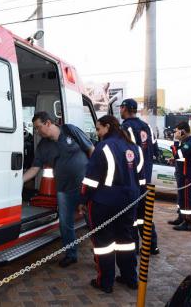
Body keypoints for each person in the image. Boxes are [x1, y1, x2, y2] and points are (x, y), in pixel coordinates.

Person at [79, 115, 144, 293]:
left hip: (104, 203)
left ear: (107, 127)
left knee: (104, 244)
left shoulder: (103, 147)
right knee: (126, 240)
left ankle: (105, 282)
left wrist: (83, 200)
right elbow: (140, 177)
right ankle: (129, 278)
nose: (98, 133)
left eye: (99, 129)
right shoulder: (134, 147)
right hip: (129, 200)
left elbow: (91, 180)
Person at [23, 111, 94, 267]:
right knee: (65, 223)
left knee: (93, 221)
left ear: (48, 123)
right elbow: (35, 169)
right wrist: (18, 182)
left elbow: (91, 150)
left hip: (85, 187)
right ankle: (71, 254)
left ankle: (101, 256)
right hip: (63, 189)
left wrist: (96, 176)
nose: (36, 131)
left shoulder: (70, 130)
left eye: (38, 127)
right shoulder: (43, 146)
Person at [119, 98, 160, 255]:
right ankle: (152, 246)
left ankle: (133, 249)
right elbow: (155, 151)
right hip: (146, 178)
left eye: (121, 107)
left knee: (132, 217)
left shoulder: (125, 127)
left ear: (125, 108)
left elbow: (125, 154)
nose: (120, 111)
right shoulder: (147, 126)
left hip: (132, 180)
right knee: (145, 215)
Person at [167, 121, 191, 231]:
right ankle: (181, 217)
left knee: (187, 199)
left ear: (182, 132)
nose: (174, 133)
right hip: (182, 174)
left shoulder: (190, 143)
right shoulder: (186, 141)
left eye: (176, 132)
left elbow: (178, 153)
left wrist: (175, 141)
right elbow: (181, 156)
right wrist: (174, 159)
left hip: (187, 175)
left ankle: (187, 222)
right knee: (181, 197)